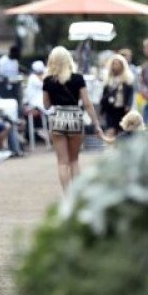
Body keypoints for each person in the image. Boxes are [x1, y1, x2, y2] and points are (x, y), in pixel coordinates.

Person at [41, 47, 109, 192]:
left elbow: (46, 105)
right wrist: (96, 124)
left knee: (62, 162)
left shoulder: (48, 80)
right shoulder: (78, 78)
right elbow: (87, 103)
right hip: (75, 117)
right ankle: (76, 196)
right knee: (74, 161)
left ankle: (67, 196)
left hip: (57, 117)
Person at [100, 54, 135, 137]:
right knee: (110, 130)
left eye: (117, 64)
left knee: (122, 132)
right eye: (114, 64)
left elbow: (130, 95)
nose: (115, 66)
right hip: (110, 109)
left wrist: (128, 106)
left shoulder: (127, 80)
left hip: (122, 109)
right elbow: (104, 96)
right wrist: (102, 110)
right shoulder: (108, 80)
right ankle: (110, 148)